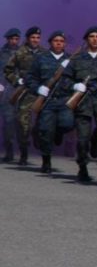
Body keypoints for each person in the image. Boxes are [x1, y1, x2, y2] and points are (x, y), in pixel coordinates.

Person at [26, 31, 75, 174]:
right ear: (50, 43)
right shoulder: (41, 58)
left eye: (61, 41)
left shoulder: (71, 60)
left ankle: (58, 132)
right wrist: (38, 88)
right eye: (55, 40)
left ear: (65, 44)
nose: (59, 43)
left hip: (64, 99)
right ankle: (46, 161)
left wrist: (76, 86)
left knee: (68, 124)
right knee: (46, 131)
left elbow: (77, 77)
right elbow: (30, 78)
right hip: (47, 101)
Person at [64, 26, 97, 182]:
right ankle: (83, 168)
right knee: (82, 139)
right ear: (86, 39)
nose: (95, 39)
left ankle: (96, 139)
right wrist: (74, 86)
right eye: (91, 36)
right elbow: (65, 79)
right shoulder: (77, 59)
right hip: (83, 101)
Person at [3, 26, 43, 166]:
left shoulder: (45, 53)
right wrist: (16, 80)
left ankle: (39, 143)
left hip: (40, 92)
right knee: (20, 123)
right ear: (27, 39)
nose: (35, 40)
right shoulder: (19, 52)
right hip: (22, 91)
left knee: (42, 123)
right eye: (33, 37)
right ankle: (22, 154)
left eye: (38, 38)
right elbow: (7, 70)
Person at [0, 28, 21, 162]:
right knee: (8, 121)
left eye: (16, 39)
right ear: (7, 39)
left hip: (20, 90)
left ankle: (23, 151)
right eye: (12, 39)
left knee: (21, 122)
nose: (14, 41)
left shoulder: (22, 53)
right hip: (5, 90)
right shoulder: (1, 53)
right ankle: (9, 151)